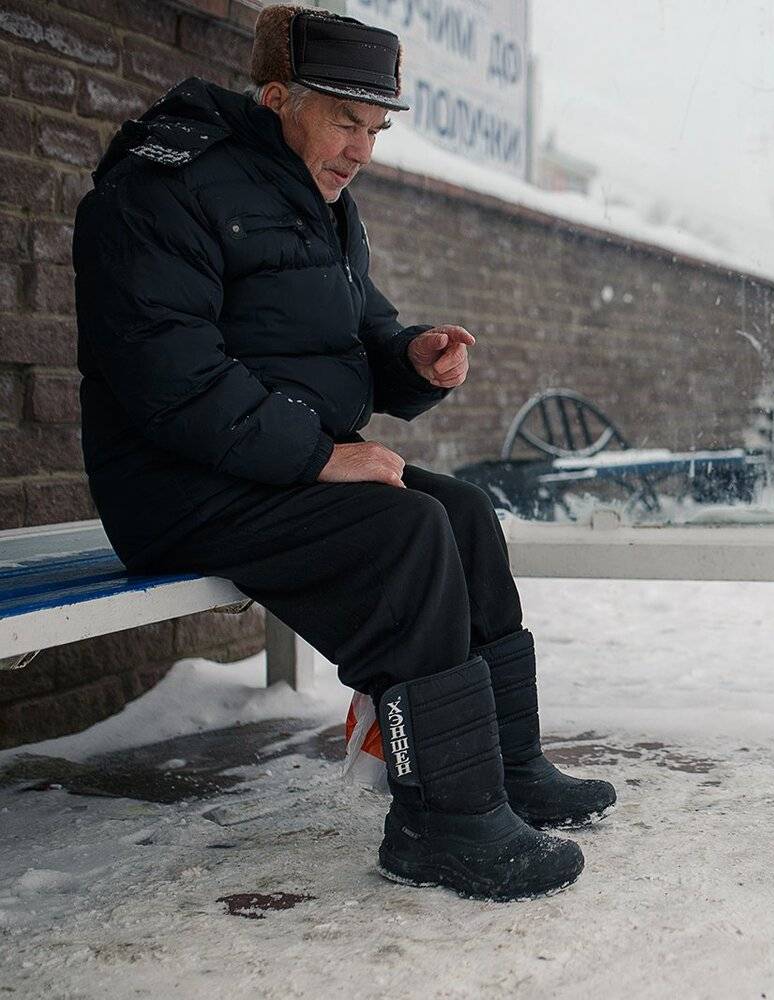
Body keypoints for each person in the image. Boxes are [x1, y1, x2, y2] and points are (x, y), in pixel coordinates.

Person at [71, 4, 613, 902]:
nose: (362, 149)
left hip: (263, 467)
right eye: (345, 121)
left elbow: (360, 332)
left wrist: (413, 358)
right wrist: (324, 459)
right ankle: (440, 823)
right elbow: (167, 376)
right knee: (401, 533)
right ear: (279, 98)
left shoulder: (316, 198)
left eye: (376, 128)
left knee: (462, 514)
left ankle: (504, 772)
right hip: (176, 485)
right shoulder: (163, 189)